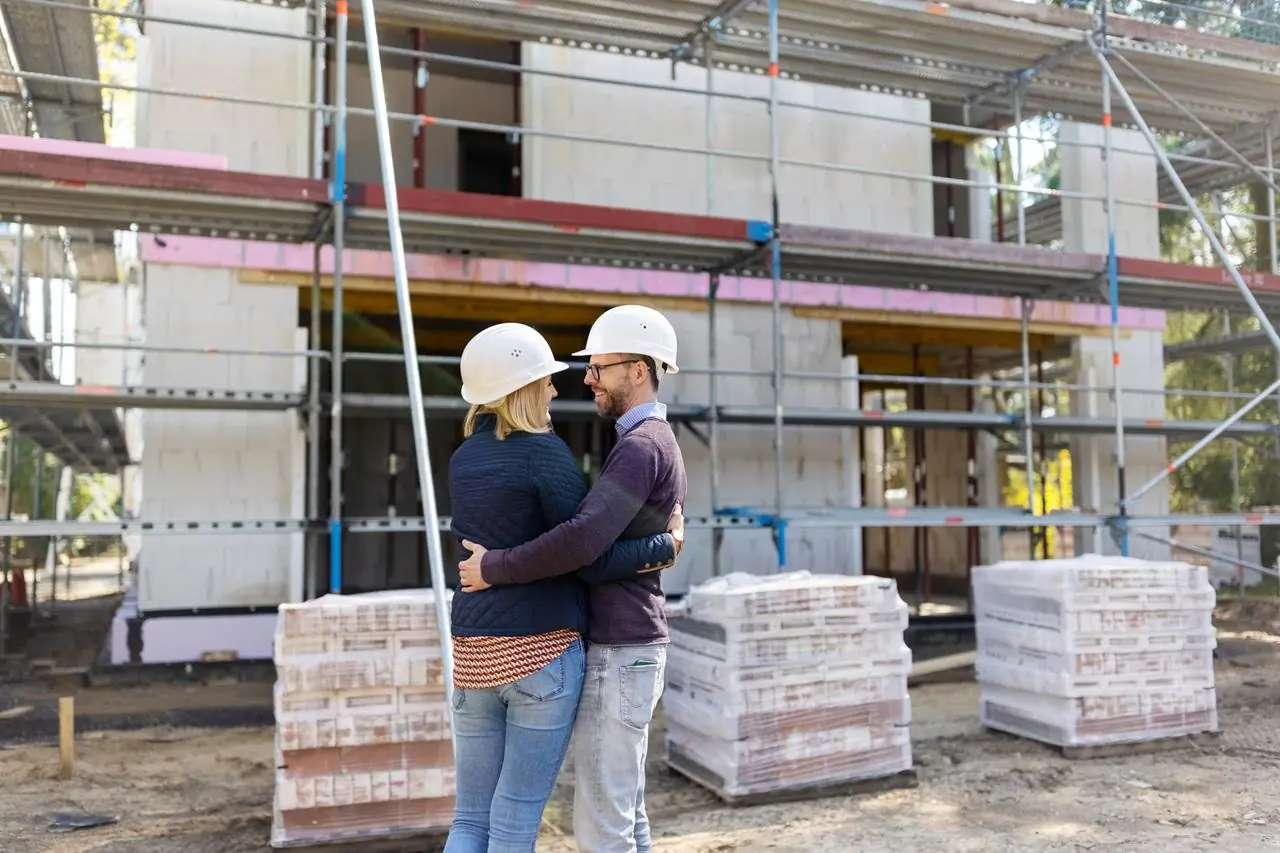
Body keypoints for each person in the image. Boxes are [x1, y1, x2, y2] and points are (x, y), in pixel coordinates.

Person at [443, 321, 684, 853]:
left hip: (472, 653)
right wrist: (662, 546)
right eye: (547, 379)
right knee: (518, 817)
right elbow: (583, 550)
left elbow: (576, 543)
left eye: (596, 368)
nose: (563, 386)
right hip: (540, 651)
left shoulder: (463, 458)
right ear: (525, 389)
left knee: (469, 821)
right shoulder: (547, 456)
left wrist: (492, 567)